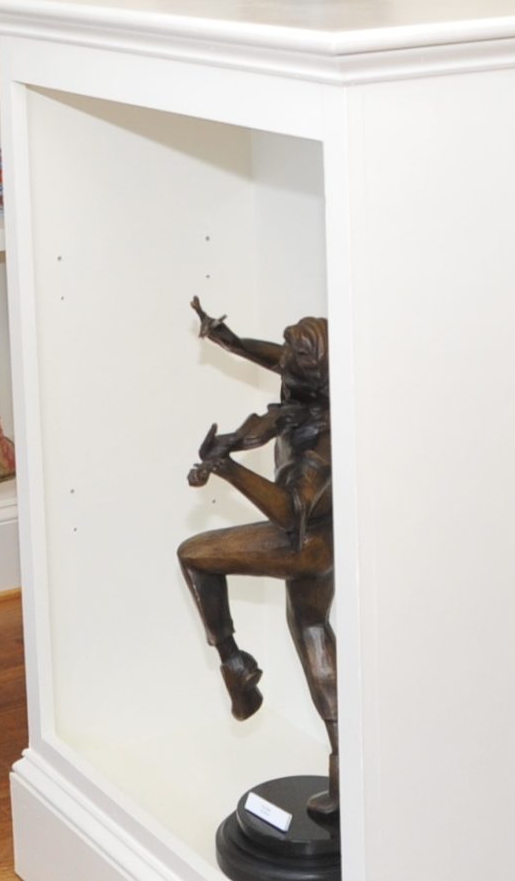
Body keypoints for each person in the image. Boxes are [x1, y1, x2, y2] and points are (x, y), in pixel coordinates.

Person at [179, 299, 338, 821]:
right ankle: (346, 764)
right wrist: (225, 338)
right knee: (312, 631)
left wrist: (228, 468)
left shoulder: (318, 446)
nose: (280, 359)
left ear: (307, 374)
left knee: (196, 554)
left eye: (290, 355)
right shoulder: (317, 390)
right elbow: (271, 358)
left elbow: (289, 510)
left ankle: (236, 665)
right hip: (324, 544)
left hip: (303, 541)